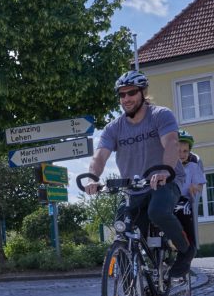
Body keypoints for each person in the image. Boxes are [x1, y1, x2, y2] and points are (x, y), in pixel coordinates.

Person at [87, 70, 195, 278]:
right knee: (122, 230)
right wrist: (93, 176)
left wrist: (165, 169)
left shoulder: (160, 115)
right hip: (134, 188)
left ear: (143, 92)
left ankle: (185, 249)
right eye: (122, 94)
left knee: (158, 211)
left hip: (165, 181)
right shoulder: (114, 128)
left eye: (131, 93)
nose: (126, 98)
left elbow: (171, 143)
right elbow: (100, 157)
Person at [177, 129, 206, 250]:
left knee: (183, 210)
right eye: (178, 151)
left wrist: (194, 187)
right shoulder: (167, 166)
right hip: (169, 198)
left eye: (185, 151)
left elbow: (200, 186)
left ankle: (189, 243)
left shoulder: (192, 167)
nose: (182, 154)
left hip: (184, 199)